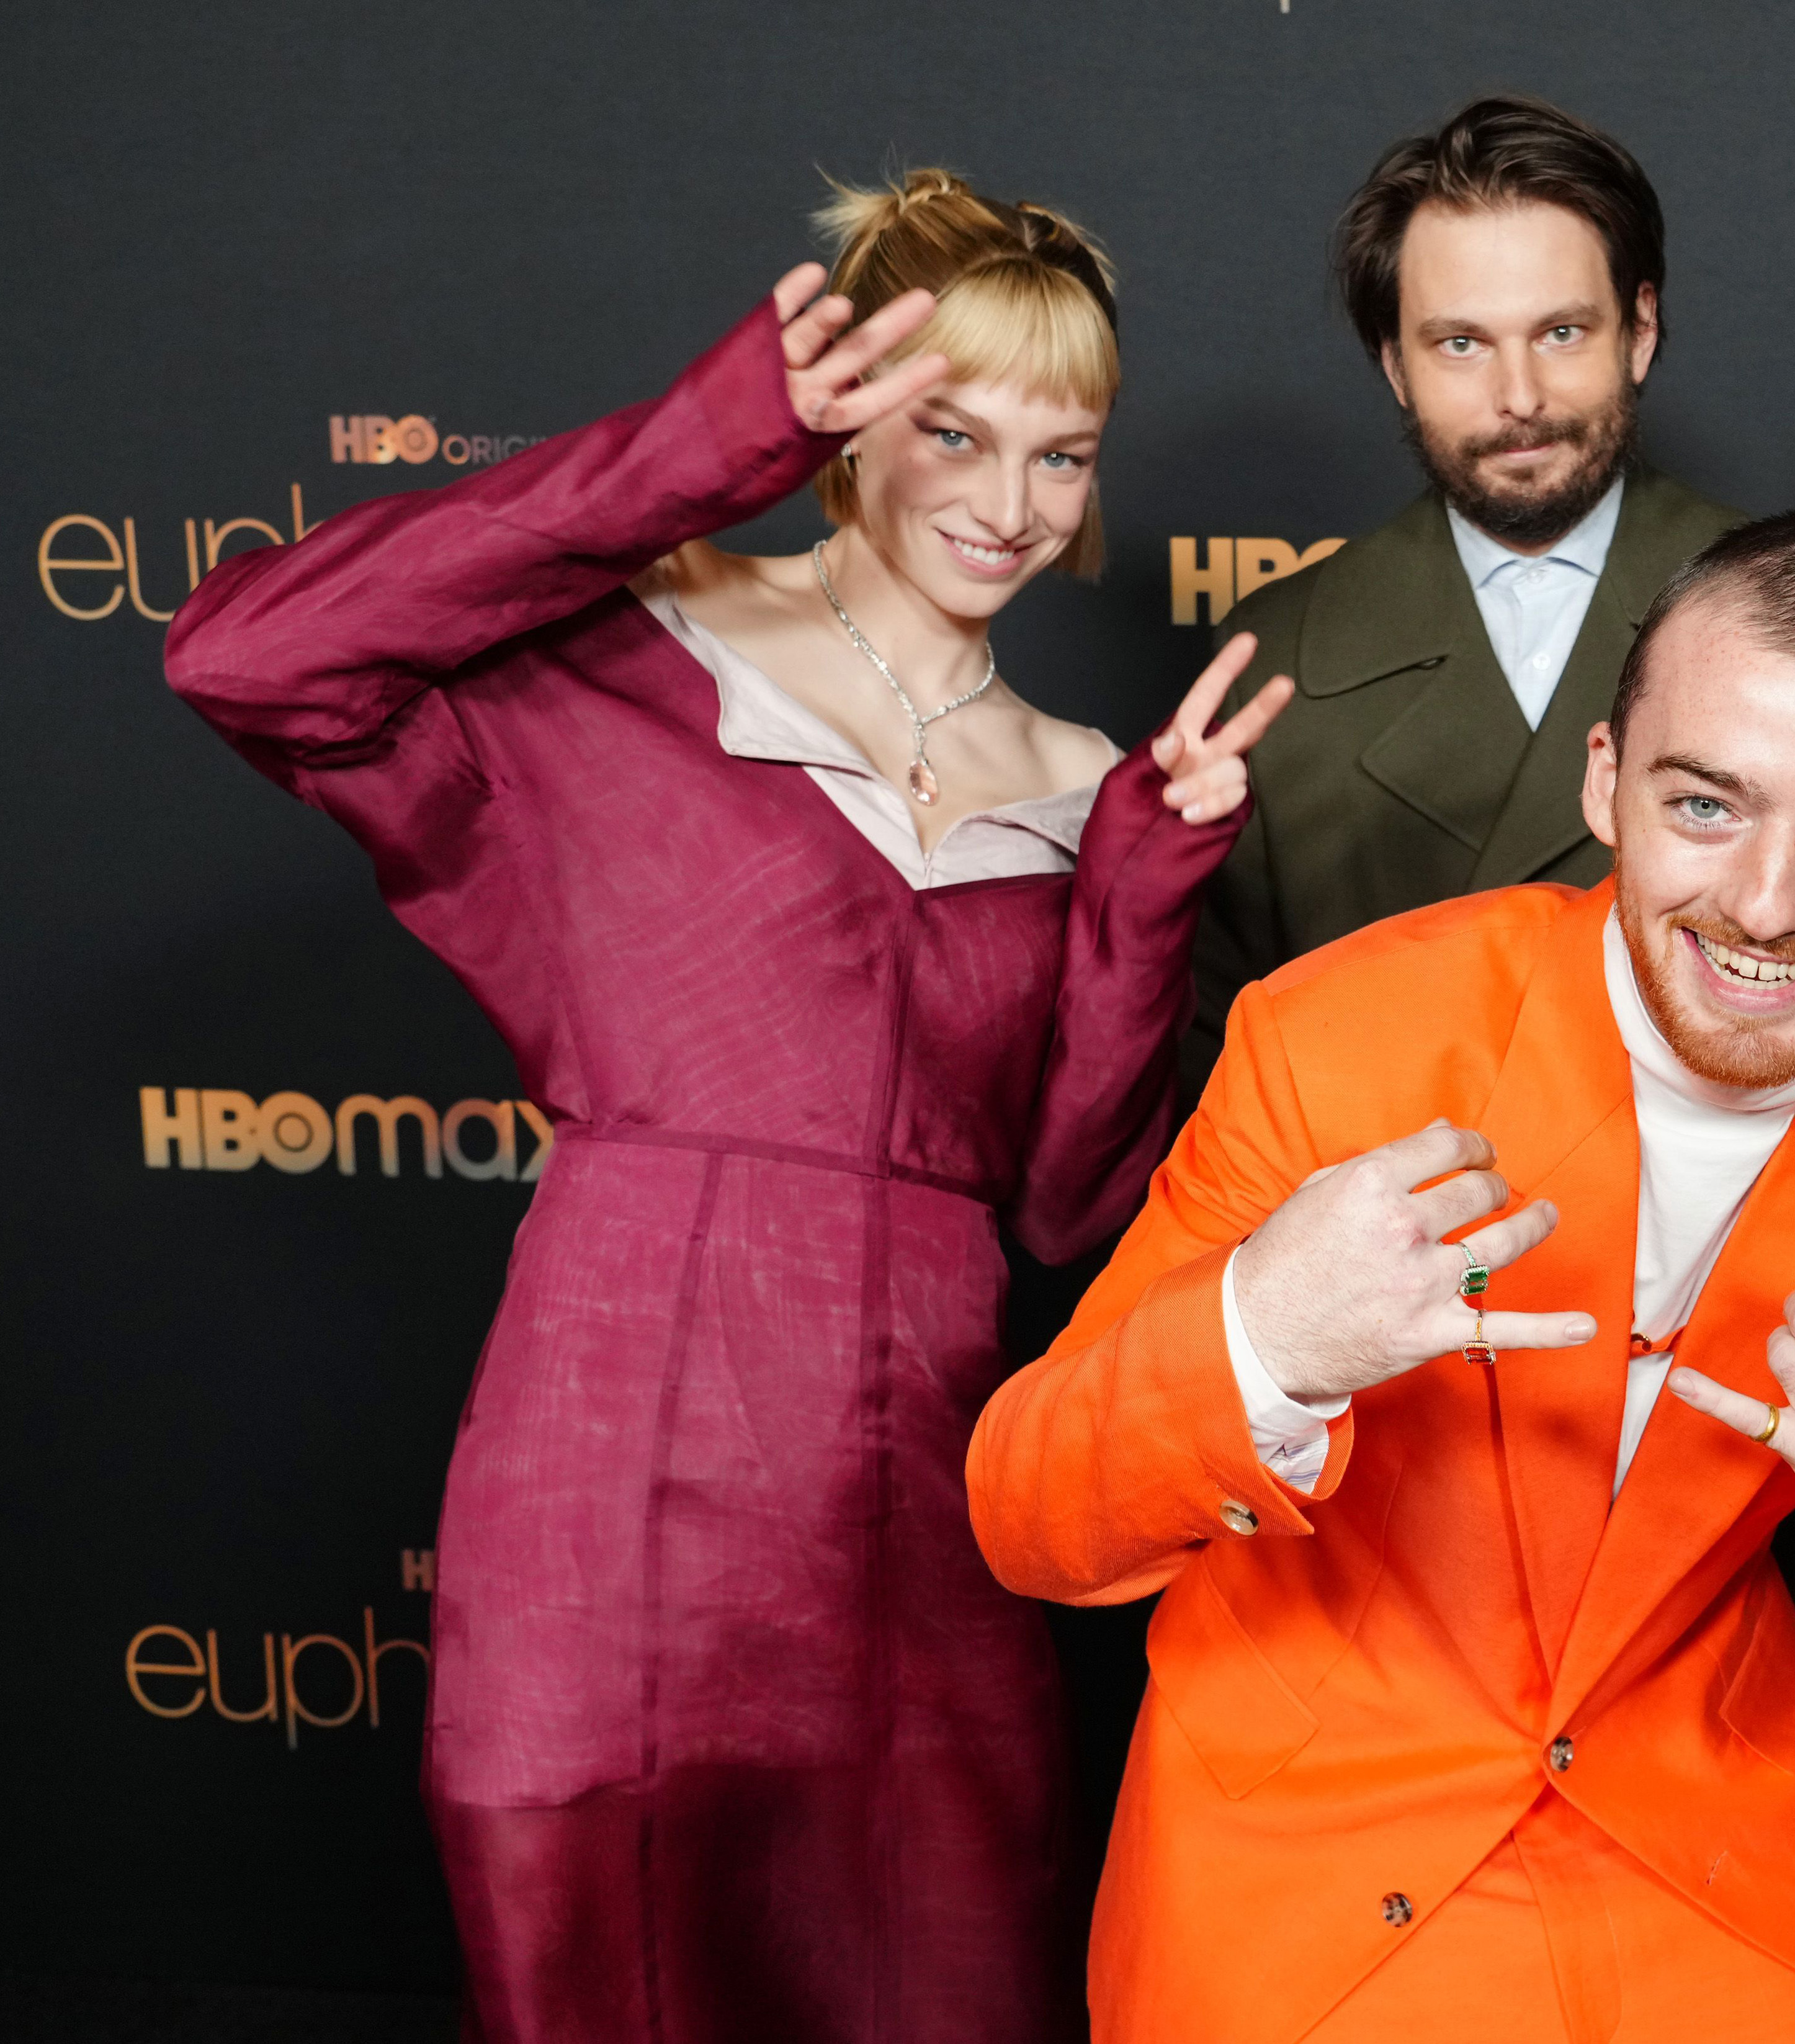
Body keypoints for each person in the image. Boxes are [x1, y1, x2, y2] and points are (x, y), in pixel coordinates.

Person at [164, 171, 1287, 2043]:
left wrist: (1148, 892)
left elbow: (1075, 1209)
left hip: (927, 1525)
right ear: (839, 416)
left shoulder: (1095, 779)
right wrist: (693, 455)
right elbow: (241, 655)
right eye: (953, 431)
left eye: (1063, 454)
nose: (1009, 507)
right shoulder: (623, 648)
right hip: (615, 1486)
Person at [969, 512, 1795, 2043]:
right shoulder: (1344, 1036)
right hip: (1307, 1829)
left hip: (1706, 1849)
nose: (1766, 906)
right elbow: (1029, 1514)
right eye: (1704, 805)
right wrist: (1264, 1339)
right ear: (1603, 787)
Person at [1185, 94, 1795, 1101]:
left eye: (1562, 331)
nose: (1519, 394)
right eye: (1460, 344)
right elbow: (1219, 1068)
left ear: (1640, 331)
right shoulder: (1274, 654)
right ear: (1395, 365)